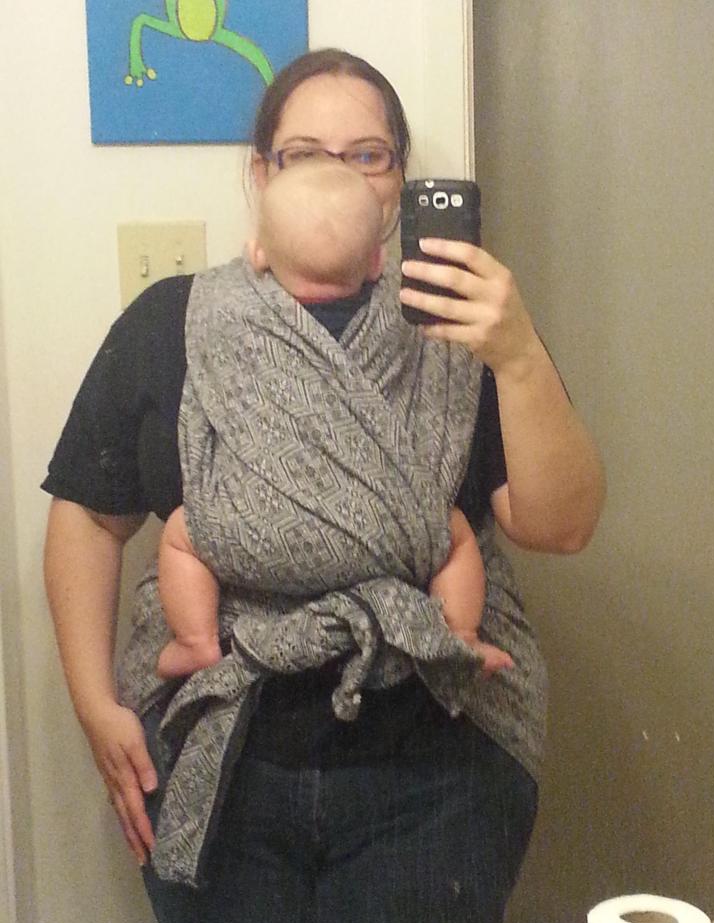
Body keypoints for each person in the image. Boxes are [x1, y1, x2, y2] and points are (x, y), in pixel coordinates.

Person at [42, 49, 605, 923]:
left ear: (399, 184)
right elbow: (89, 516)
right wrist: (95, 703)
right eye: (304, 152)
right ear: (260, 175)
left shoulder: (462, 327)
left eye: (368, 153)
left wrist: (517, 354)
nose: (338, 172)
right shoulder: (172, 322)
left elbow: (561, 526)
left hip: (436, 751)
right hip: (222, 743)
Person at [157, 159, 513, 682]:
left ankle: (195, 641)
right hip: (390, 538)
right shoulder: (412, 325)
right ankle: (461, 639)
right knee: (456, 538)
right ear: (377, 263)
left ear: (258, 254)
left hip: (253, 533)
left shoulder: (224, 316)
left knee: (181, 534)